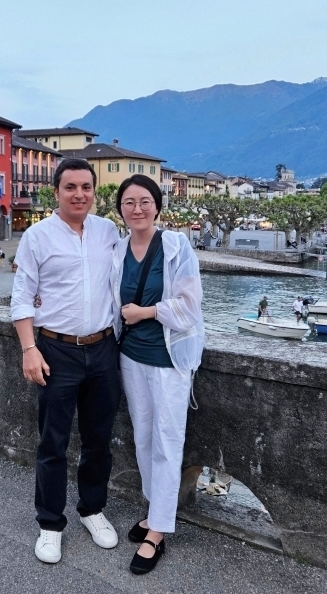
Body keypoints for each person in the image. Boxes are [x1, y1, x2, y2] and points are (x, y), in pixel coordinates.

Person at [11, 157, 121, 565]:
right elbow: (22, 296)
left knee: (99, 439)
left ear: (94, 192)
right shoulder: (37, 236)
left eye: (86, 187)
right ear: (56, 191)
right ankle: (50, 524)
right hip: (56, 350)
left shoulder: (108, 232)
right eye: (70, 187)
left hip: (104, 347)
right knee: (52, 442)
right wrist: (29, 348)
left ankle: (92, 510)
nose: (79, 194)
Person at [113, 174, 204, 575]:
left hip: (168, 360)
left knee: (168, 440)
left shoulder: (176, 246)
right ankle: (155, 511)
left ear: (157, 206)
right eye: (129, 202)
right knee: (144, 436)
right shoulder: (118, 250)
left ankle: (158, 531)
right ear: (120, 209)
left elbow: (189, 305)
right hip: (130, 356)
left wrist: (146, 312)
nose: (137, 209)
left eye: (145, 201)